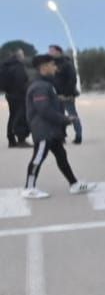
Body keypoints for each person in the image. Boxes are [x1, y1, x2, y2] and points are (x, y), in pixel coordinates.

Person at [22, 55, 94, 198]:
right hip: (43, 130)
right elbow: (44, 109)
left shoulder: (47, 84)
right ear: (43, 68)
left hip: (51, 130)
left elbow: (49, 105)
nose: (55, 67)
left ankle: (74, 184)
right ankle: (29, 188)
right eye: (52, 65)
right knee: (38, 158)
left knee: (61, 156)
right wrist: (65, 119)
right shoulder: (40, 86)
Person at [47, 45, 82, 144]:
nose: (49, 53)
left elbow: (72, 79)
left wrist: (66, 93)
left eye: (52, 51)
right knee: (59, 116)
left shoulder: (67, 63)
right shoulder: (51, 64)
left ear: (59, 52)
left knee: (72, 114)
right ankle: (60, 136)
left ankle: (78, 135)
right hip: (56, 95)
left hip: (67, 95)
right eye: (49, 51)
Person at [2, 49, 28, 148]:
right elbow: (20, 81)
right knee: (20, 117)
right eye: (23, 55)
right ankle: (21, 139)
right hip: (19, 95)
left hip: (9, 94)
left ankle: (11, 140)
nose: (24, 56)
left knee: (12, 116)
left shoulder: (6, 65)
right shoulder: (18, 66)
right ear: (19, 56)